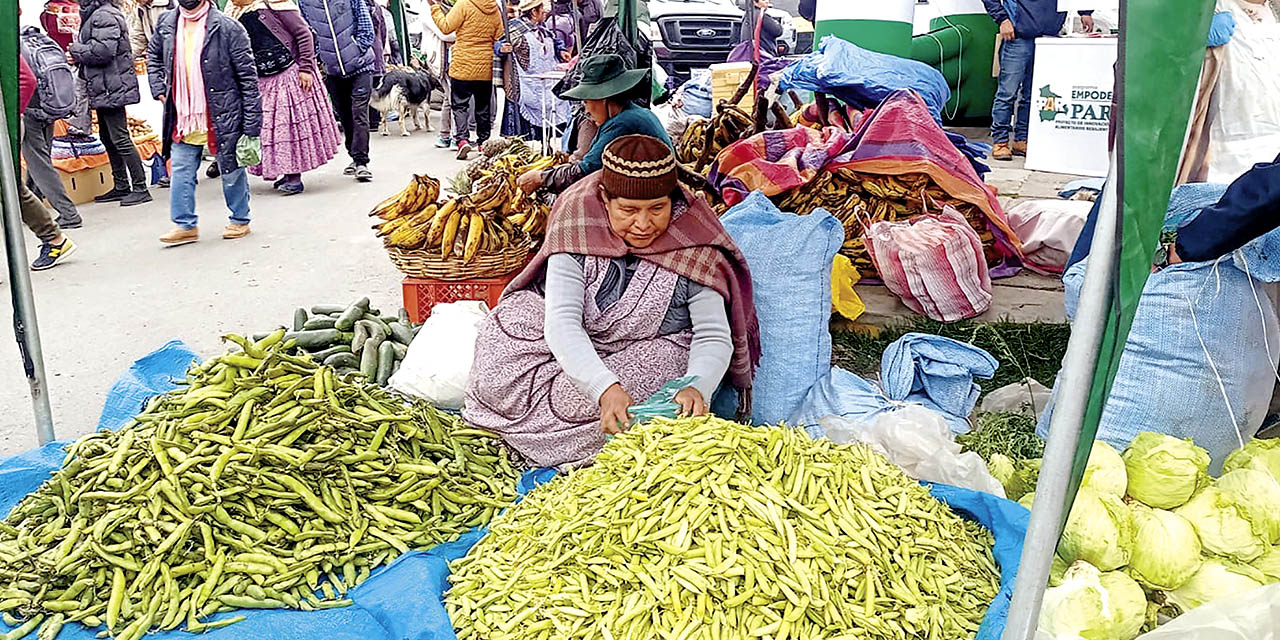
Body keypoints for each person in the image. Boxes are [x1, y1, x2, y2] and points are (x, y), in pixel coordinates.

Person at [464, 135, 760, 469]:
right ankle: (558, 418)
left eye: (657, 209)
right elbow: (562, 322)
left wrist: (698, 387)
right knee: (501, 343)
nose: (644, 223)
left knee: (649, 383)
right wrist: (604, 388)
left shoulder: (694, 242)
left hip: (642, 350)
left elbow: (712, 332)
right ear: (605, 199)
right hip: (570, 342)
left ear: (672, 200)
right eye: (629, 210)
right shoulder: (577, 222)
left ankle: (558, 434)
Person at [148, 0, 262, 244]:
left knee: (231, 171)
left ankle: (240, 219)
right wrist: (158, 87)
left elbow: (248, 79)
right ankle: (184, 224)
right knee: (180, 170)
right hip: (183, 113)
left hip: (222, 113)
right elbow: (154, 55)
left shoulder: (228, 27)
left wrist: (252, 125)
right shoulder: (167, 22)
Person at [226, 0, 341, 195]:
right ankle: (285, 173)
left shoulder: (274, 3)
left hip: (288, 74)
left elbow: (303, 34)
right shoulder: (232, 11)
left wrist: (305, 68)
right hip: (262, 78)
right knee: (269, 131)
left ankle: (294, 177)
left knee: (288, 129)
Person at [517, 54, 670, 194]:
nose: (587, 110)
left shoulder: (623, 123)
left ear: (604, 99)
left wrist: (541, 178)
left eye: (587, 101)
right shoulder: (632, 113)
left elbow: (586, 171)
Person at [981, 0, 1093, 160]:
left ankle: (1022, 139)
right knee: (1007, 93)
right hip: (1017, 37)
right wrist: (1002, 19)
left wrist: (1085, 12)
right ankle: (1001, 141)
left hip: (1049, 37)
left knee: (1033, 94)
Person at [70, 0, 153, 206]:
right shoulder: (98, 14)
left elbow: (103, 51)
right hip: (105, 84)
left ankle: (140, 186)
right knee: (108, 137)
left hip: (111, 85)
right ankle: (121, 185)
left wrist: (76, 50)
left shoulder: (103, 15)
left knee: (120, 138)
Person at [298, 0, 378, 182]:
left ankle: (361, 161)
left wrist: (357, 49)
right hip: (332, 70)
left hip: (361, 66)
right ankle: (353, 153)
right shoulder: (305, 2)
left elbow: (366, 26)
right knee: (344, 114)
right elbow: (307, 31)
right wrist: (320, 57)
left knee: (359, 113)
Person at [17, 54, 78, 271]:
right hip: (39, 111)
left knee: (15, 185)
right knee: (17, 184)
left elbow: (26, 79)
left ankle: (55, 237)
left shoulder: (6, 34)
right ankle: (55, 235)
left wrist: (12, 115)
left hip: (20, 117)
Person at [19, 27, 82, 230]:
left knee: (39, 165)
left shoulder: (13, 46)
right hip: (49, 104)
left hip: (29, 109)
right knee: (40, 161)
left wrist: (18, 111)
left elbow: (27, 80)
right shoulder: (37, 40)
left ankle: (68, 213)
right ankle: (30, 207)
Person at [428, 0, 505, 160]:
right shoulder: (494, 9)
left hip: (463, 64)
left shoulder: (464, 4)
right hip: (485, 66)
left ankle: (462, 140)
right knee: (483, 107)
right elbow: (499, 36)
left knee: (459, 105)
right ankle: (483, 143)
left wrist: (434, 7)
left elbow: (446, 27)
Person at [497, 0, 569, 141]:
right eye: (542, 9)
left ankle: (546, 145)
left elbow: (554, 41)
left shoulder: (542, 29)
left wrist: (561, 51)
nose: (546, 12)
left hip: (546, 83)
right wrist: (501, 48)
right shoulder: (515, 29)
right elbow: (499, 43)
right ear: (534, 12)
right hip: (523, 86)